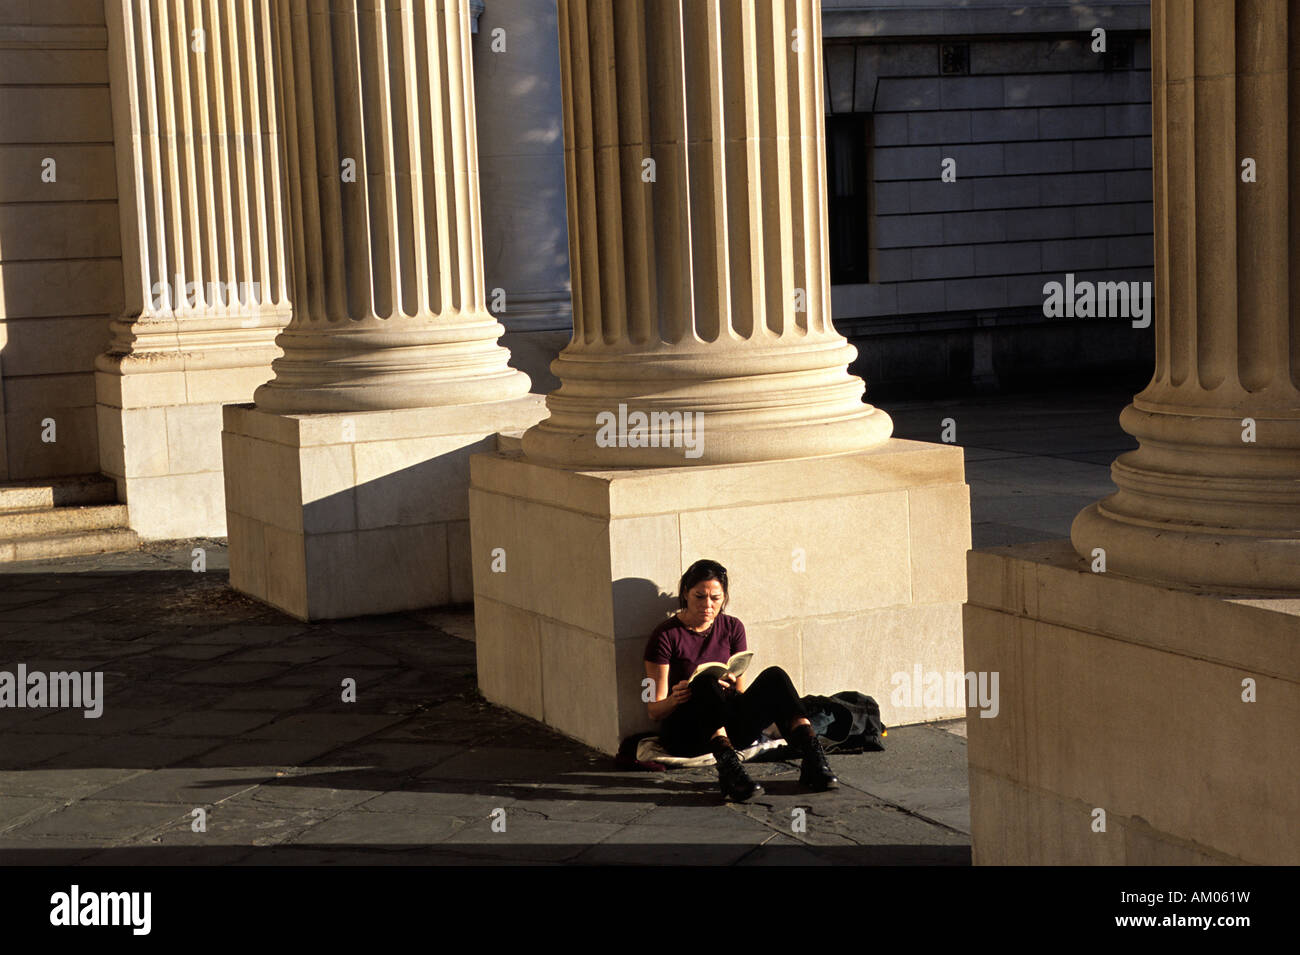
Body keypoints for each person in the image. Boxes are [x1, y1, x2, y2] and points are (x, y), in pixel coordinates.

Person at [643, 558, 838, 802]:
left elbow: (741, 692)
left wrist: (731, 685)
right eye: (699, 596)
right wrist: (675, 698)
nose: (708, 605)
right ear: (685, 593)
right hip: (689, 733)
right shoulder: (665, 635)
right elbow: (653, 710)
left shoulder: (733, 627)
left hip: (732, 729)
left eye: (715, 598)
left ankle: (812, 757)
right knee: (704, 684)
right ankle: (729, 773)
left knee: (775, 676)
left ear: (724, 597)